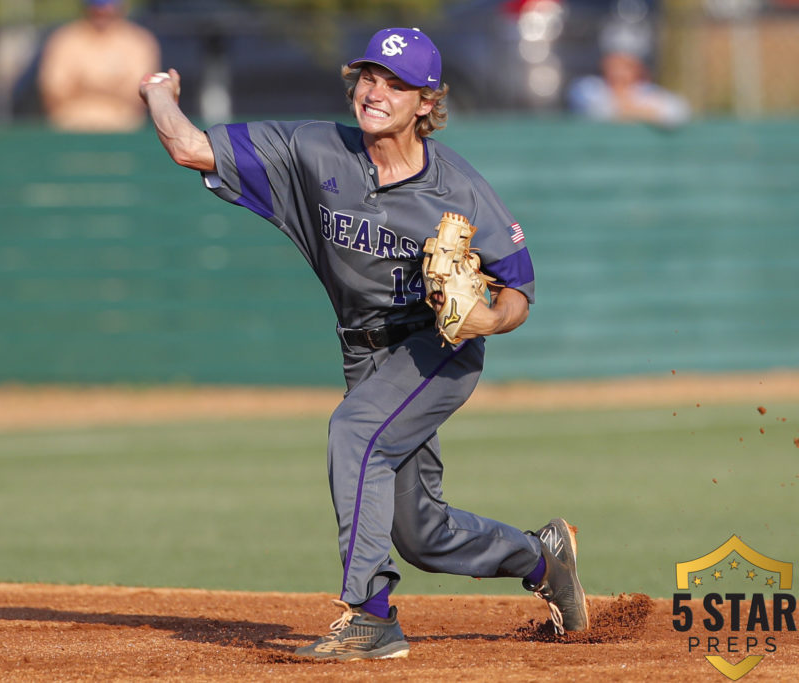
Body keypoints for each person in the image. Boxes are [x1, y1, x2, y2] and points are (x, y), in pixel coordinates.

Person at [139, 27, 588, 660]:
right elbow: (188, 147)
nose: (376, 92)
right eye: (369, 77)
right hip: (365, 353)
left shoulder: (459, 190)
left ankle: (370, 615)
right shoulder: (313, 151)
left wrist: (486, 321)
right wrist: (158, 92)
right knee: (422, 533)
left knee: (354, 433)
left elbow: (518, 291)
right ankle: (542, 558)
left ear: (428, 102)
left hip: (439, 351)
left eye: (396, 83)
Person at [38, 0, 160, 132]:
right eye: (97, 6)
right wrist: (111, 86)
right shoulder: (64, 40)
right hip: (71, 129)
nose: (102, 11)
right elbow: (54, 92)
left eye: (107, 6)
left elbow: (139, 95)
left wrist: (85, 85)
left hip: (123, 130)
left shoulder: (138, 41)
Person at [567, 44, 690, 128]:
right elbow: (595, 110)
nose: (618, 71)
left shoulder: (646, 91)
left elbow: (678, 112)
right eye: (614, 65)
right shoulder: (589, 87)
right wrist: (644, 112)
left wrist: (628, 110)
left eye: (626, 66)